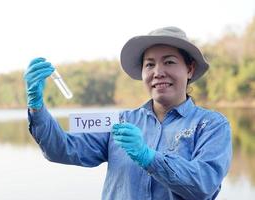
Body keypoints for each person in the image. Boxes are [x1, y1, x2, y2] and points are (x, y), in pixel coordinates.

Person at [24, 26, 232, 200]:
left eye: (169, 62)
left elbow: (204, 184)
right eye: (149, 64)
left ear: (190, 69)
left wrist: (149, 157)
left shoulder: (211, 125)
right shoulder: (120, 121)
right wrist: (36, 106)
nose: (158, 72)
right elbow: (62, 149)